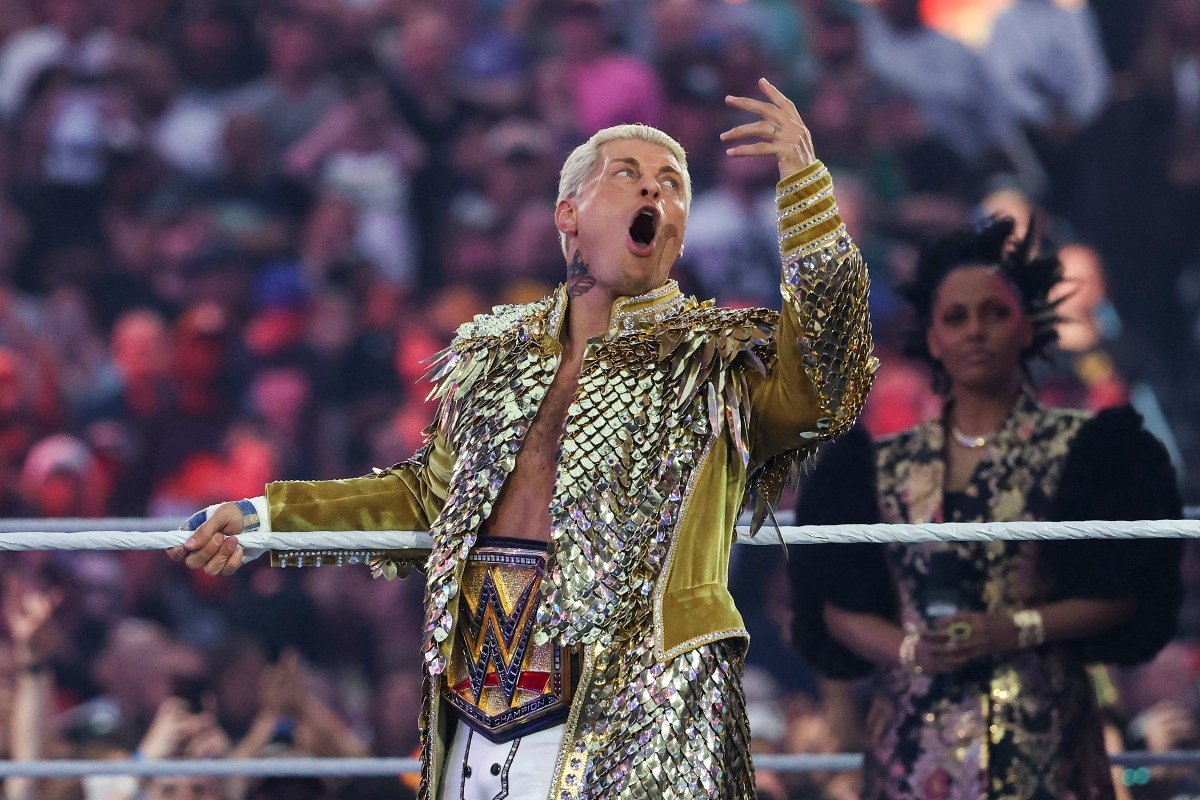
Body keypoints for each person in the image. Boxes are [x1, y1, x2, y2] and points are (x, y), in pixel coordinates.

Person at [172, 77, 877, 800]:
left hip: (642, 723)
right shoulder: (495, 354)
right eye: (627, 174)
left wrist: (806, 193)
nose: (653, 191)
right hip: (478, 708)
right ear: (568, 214)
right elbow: (423, 496)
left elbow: (826, 388)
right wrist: (263, 519)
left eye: (672, 186)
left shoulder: (717, 362)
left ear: (678, 232)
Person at [788, 217, 1183, 800]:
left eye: (995, 313)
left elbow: (1122, 592)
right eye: (956, 317)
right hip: (914, 748)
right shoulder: (880, 462)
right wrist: (908, 648)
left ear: (1027, 327)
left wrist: (1014, 628)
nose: (975, 331)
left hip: (1046, 738)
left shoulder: (1085, 449)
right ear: (932, 336)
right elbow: (836, 603)